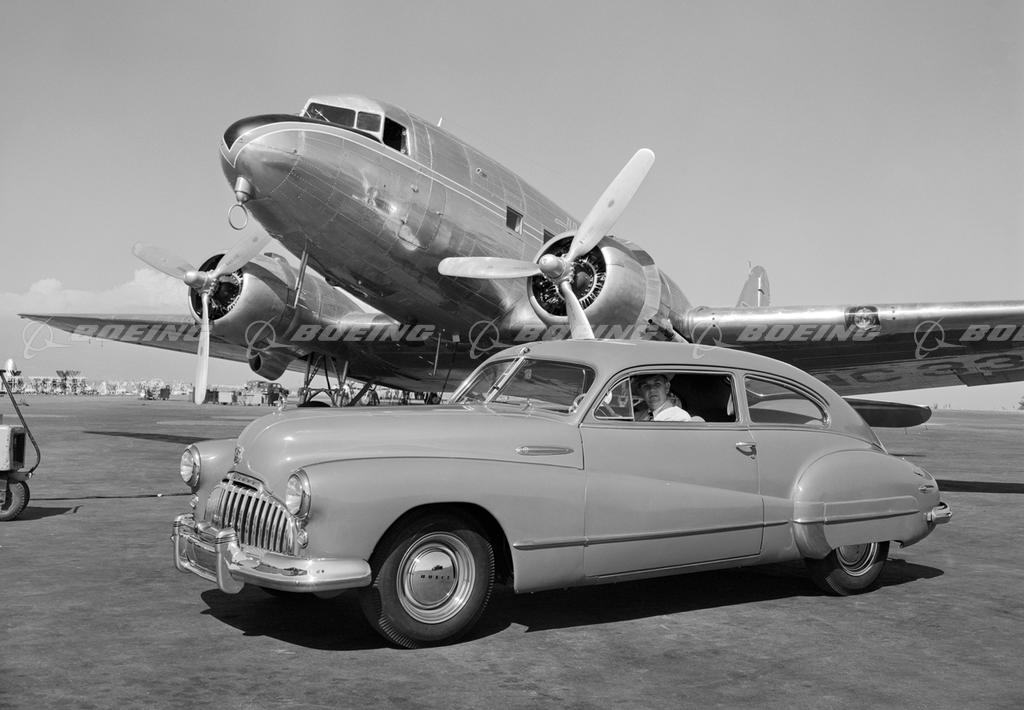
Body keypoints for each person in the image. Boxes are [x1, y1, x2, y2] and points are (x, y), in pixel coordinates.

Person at [634, 373, 702, 422]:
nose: (652, 389)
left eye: (657, 384)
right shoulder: (637, 416)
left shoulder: (679, 417)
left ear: (667, 387)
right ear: (641, 391)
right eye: (645, 386)